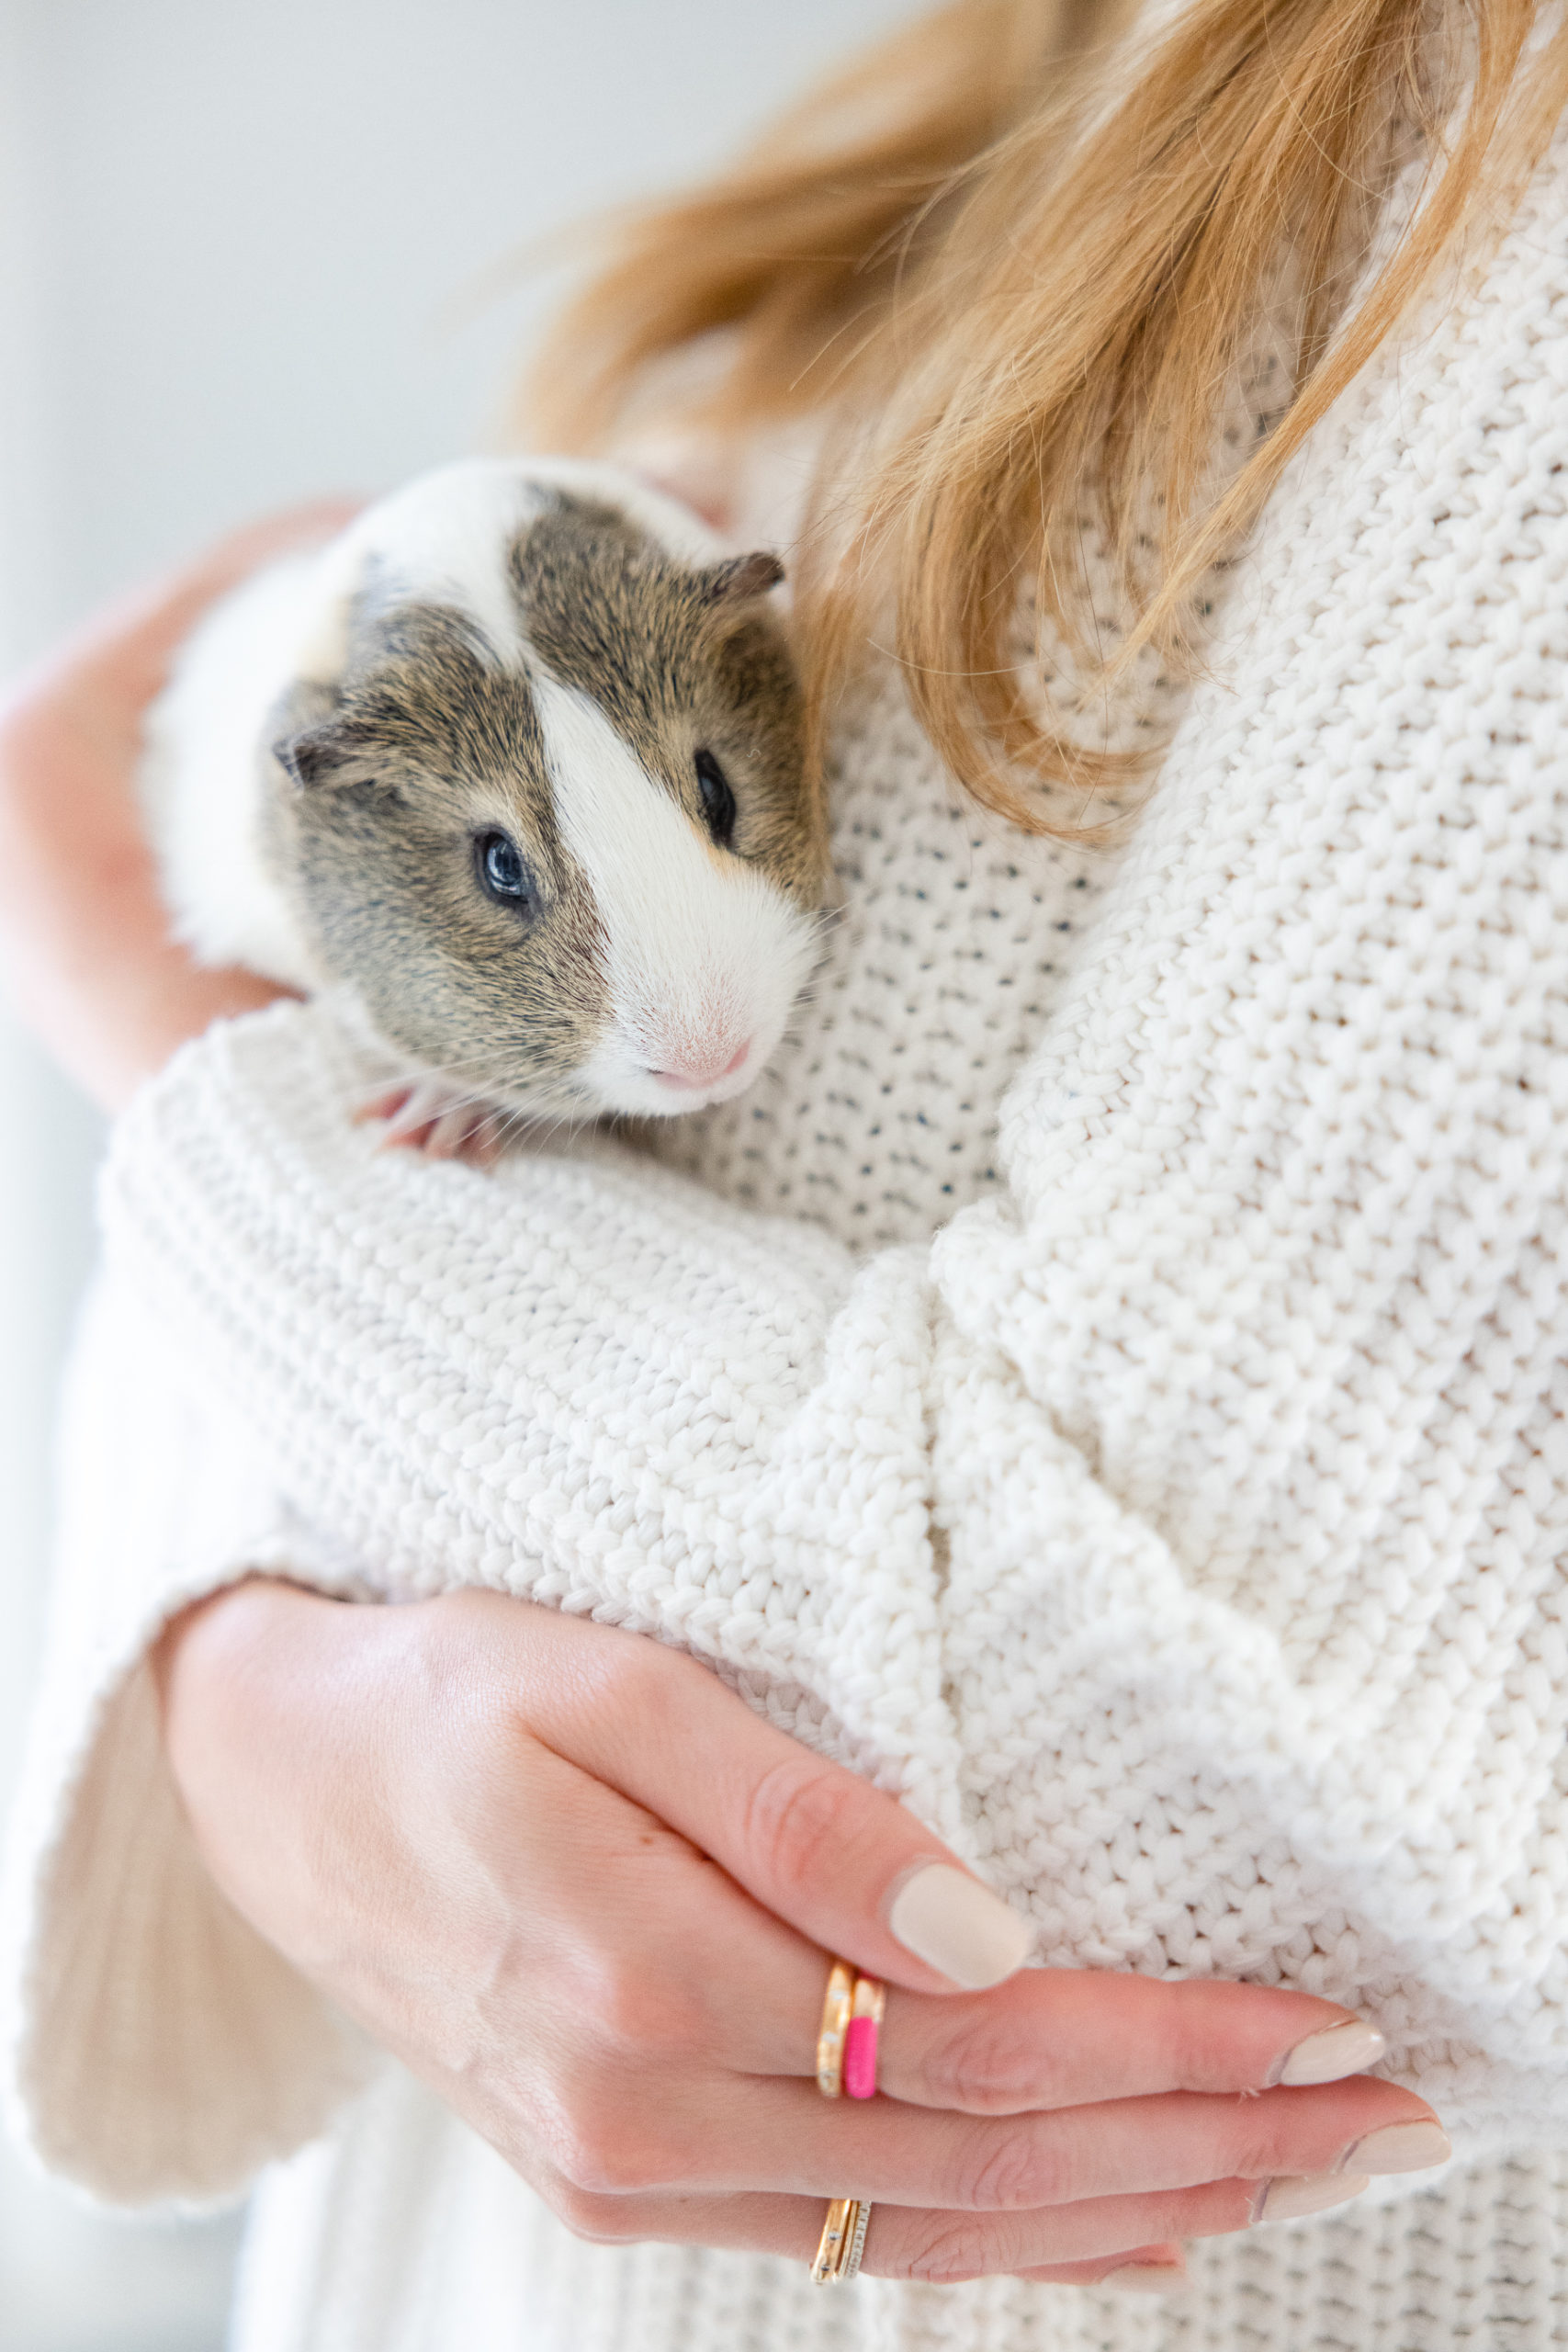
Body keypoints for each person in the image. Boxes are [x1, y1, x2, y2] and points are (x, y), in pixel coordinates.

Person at [2, 0, 1566, 2346]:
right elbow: (305, 1437)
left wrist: (179, 1055)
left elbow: (1181, 1785)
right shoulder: (1017, 72)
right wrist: (253, 1706)